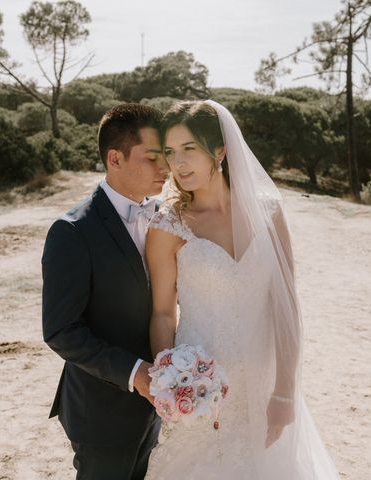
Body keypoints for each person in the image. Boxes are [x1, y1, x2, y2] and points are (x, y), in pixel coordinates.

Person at [143, 100, 341, 479]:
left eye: (188, 149)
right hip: (200, 389)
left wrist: (284, 391)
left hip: (264, 382)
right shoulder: (167, 225)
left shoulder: (268, 212)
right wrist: (169, 382)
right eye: (170, 152)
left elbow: (286, 307)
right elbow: (163, 313)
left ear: (219, 150)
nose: (178, 164)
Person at [41, 103, 170, 479]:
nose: (163, 168)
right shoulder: (72, 232)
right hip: (102, 414)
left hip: (158, 408)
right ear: (115, 158)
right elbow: (61, 330)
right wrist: (136, 374)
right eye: (151, 158)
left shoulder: (167, 216)